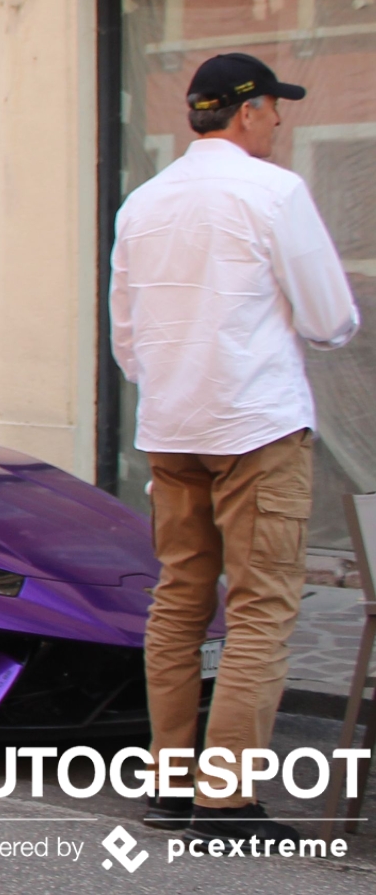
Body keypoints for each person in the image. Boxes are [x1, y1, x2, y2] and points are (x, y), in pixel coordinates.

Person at [111, 52, 359, 838]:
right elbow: (329, 317)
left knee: (180, 601)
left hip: (172, 426)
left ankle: (169, 785)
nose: (281, 122)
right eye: (275, 109)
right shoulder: (274, 191)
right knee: (260, 608)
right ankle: (227, 797)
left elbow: (126, 340)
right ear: (248, 112)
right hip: (256, 423)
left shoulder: (142, 203)